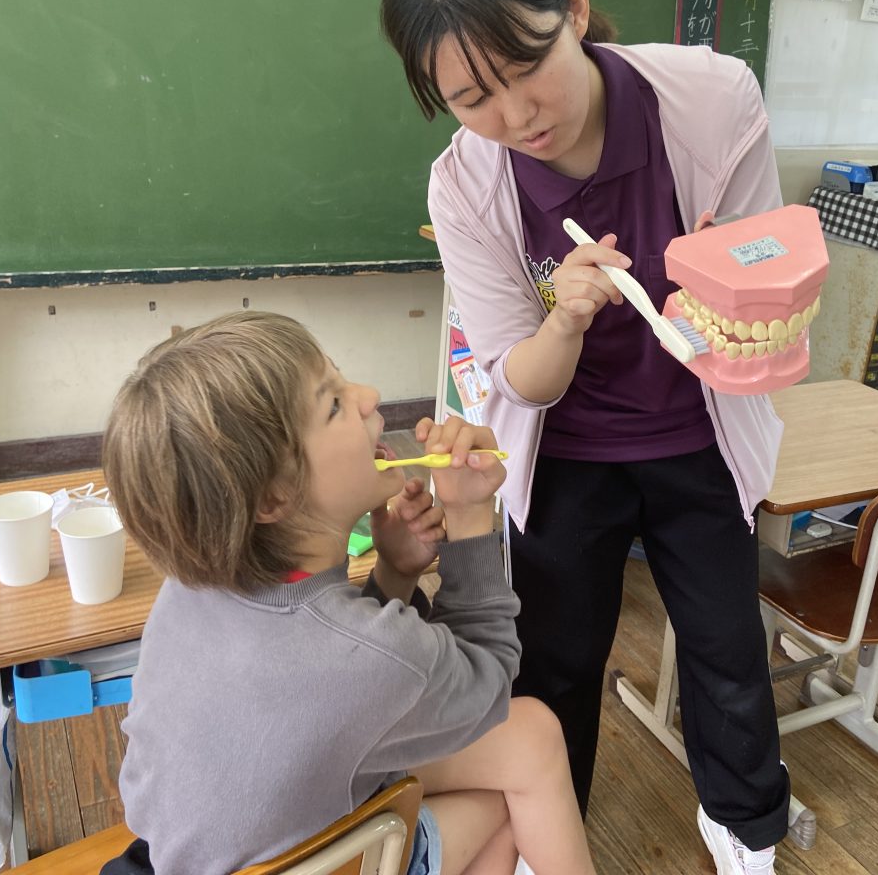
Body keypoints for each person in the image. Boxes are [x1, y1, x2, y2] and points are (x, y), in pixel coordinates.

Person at [380, 0, 790, 872]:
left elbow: (764, 278)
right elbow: (516, 380)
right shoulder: (466, 188)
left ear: (571, 7)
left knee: (728, 646)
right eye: (472, 99)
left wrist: (738, 292)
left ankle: (747, 826)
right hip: (566, 455)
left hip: (699, 434)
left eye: (527, 67)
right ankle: (545, 835)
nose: (516, 115)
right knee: (557, 660)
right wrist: (563, 319)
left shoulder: (712, 100)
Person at [100, 311, 596, 875]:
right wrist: (469, 515)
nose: (369, 396)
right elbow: (487, 683)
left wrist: (395, 572)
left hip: (175, 852)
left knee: (529, 740)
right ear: (274, 496)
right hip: (300, 860)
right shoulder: (370, 657)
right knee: (510, 793)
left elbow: (338, 687)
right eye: (334, 404)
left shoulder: (188, 586)